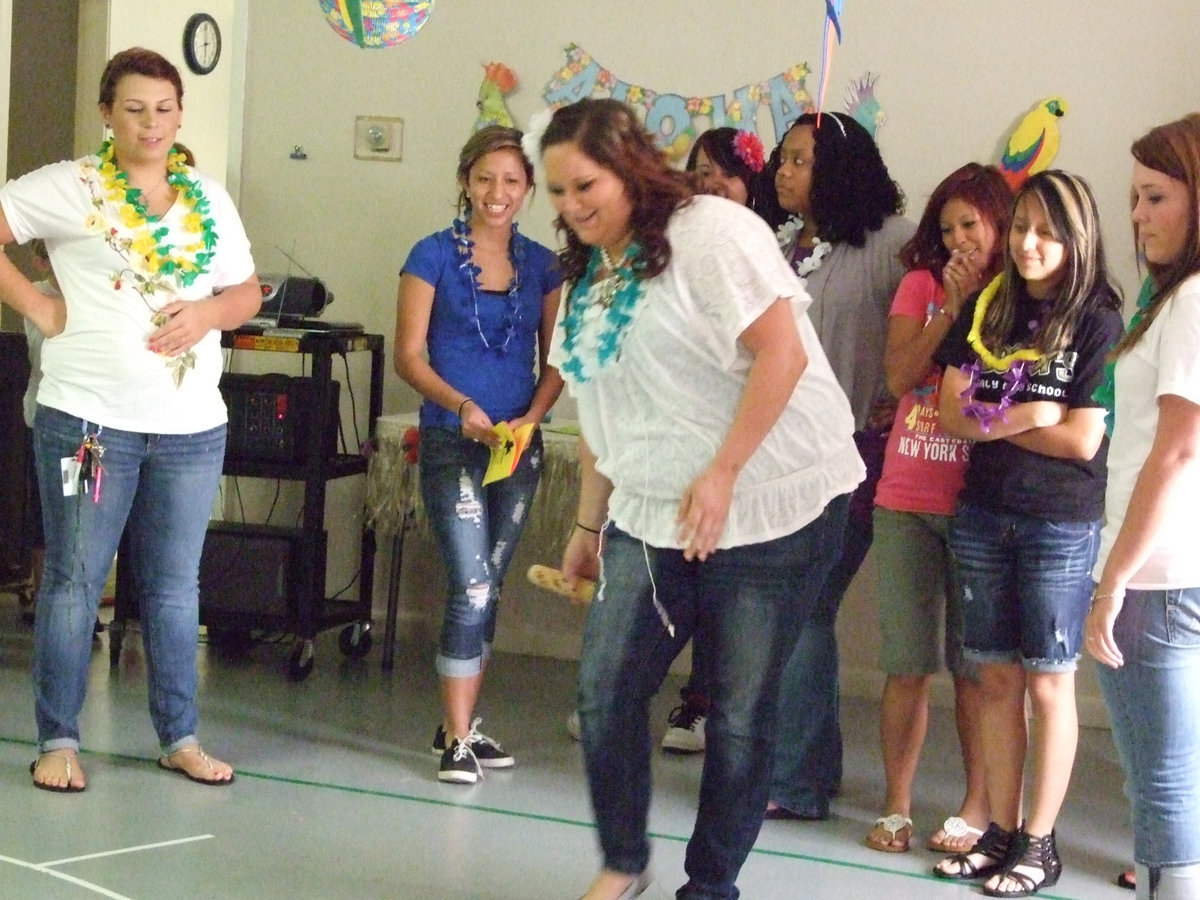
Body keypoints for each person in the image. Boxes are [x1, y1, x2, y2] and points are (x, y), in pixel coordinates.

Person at [540, 97, 862, 900]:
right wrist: (588, 524)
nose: (572, 207)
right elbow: (599, 408)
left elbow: (781, 355)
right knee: (606, 689)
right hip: (652, 508)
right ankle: (623, 864)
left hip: (776, 501)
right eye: (558, 193)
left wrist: (724, 470)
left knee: (742, 713)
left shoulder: (712, 233)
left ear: (631, 168)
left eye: (586, 186)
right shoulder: (586, 275)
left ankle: (710, 886)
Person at [0, 47, 261, 791]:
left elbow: (245, 293)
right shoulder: (71, 186)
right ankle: (58, 739)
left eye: (166, 108)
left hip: (190, 427)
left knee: (177, 587)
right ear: (107, 113)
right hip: (87, 421)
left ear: (181, 115)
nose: (152, 123)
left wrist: (209, 311)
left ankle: (179, 735)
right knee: (76, 581)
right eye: (136, 108)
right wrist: (40, 305)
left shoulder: (208, 197)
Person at [931, 169, 1123, 895]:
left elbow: (1082, 441)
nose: (1028, 243)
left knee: (1048, 683)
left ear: (1076, 238)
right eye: (1020, 228)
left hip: (1058, 524)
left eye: (1046, 231)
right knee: (993, 679)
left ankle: (1039, 845)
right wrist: (1031, 417)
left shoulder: (1100, 318)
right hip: (982, 514)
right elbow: (952, 413)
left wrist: (999, 424)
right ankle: (1002, 833)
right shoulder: (988, 306)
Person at [395, 125, 564, 785]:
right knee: (468, 584)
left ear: (528, 190)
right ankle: (457, 739)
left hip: (517, 449)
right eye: (486, 178)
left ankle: (462, 724)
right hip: (450, 442)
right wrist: (463, 408)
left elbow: (558, 361)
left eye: (513, 181)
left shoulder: (545, 265)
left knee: (488, 588)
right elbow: (409, 355)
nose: (498, 193)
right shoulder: (430, 255)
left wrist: (530, 419)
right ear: (466, 180)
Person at [762, 111, 914, 821]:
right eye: (782, 159)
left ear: (838, 169)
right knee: (794, 613)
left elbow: (934, 319)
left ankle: (796, 781)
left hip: (854, 457)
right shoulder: (784, 244)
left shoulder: (889, 245)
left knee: (804, 609)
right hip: (784, 459)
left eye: (798, 160)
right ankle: (806, 773)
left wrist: (901, 394)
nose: (782, 171)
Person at [866, 163, 1011, 853]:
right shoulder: (920, 286)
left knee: (977, 671)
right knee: (907, 664)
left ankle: (977, 806)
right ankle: (895, 806)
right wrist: (947, 309)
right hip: (904, 497)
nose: (957, 240)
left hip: (979, 506)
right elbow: (898, 377)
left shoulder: (1019, 296)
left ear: (998, 226)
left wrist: (976, 306)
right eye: (947, 227)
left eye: (970, 226)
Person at [1087, 113, 1200, 900]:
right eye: (1134, 197)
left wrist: (1114, 578)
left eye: (1155, 197)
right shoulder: (1175, 300)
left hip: (1155, 576)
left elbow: (1175, 449)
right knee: (1169, 781)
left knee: (1162, 790)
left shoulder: (1192, 299)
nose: (1137, 216)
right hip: (1165, 568)